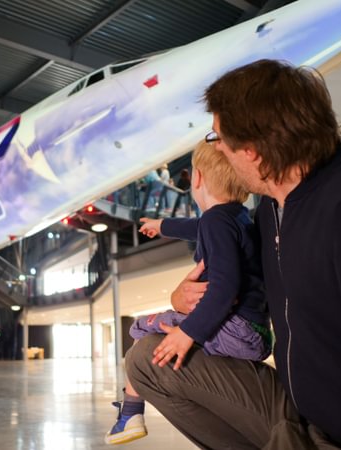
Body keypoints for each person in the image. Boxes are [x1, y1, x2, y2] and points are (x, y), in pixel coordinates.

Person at [125, 59, 341, 449]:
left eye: (218, 138)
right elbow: (232, 279)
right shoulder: (271, 211)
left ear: (252, 151)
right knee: (146, 359)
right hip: (297, 408)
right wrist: (179, 299)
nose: (217, 147)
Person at [105, 142, 272, 445]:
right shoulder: (237, 218)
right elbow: (197, 227)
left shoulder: (215, 221)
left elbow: (225, 288)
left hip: (235, 330)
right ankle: (130, 410)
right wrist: (163, 225)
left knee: (141, 327)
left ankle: (130, 412)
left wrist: (188, 333)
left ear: (196, 178)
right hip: (255, 333)